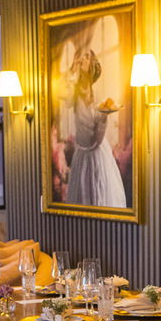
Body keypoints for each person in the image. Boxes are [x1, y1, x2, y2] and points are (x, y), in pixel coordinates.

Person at [64, 48, 127, 208]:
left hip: (98, 154)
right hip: (81, 155)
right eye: (81, 56)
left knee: (100, 196)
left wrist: (104, 117)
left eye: (86, 56)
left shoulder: (98, 96)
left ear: (92, 64)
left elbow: (98, 138)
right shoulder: (73, 94)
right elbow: (59, 91)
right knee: (81, 200)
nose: (82, 59)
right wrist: (72, 69)